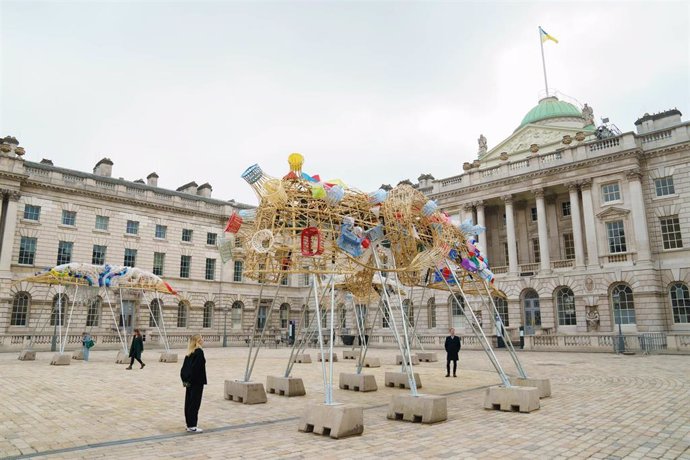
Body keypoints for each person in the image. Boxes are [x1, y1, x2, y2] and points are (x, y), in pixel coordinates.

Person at [181, 334, 207, 433]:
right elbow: (197, 369)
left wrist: (186, 381)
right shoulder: (199, 352)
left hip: (188, 382)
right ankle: (192, 425)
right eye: (202, 338)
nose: (203, 340)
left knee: (188, 402)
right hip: (197, 382)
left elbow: (184, 369)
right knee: (194, 403)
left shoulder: (189, 353)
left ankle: (189, 424)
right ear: (198, 341)